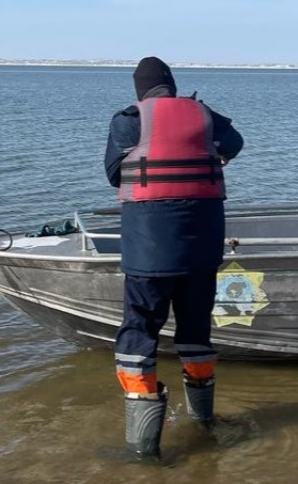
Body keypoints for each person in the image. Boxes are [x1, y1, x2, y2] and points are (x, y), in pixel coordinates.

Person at [103, 56, 244, 461]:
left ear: (139, 90)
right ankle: (204, 423)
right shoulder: (204, 114)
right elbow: (235, 144)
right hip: (203, 247)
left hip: (148, 250)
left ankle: (144, 450)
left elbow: (115, 173)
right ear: (172, 85)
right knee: (196, 331)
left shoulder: (129, 119)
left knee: (139, 333)